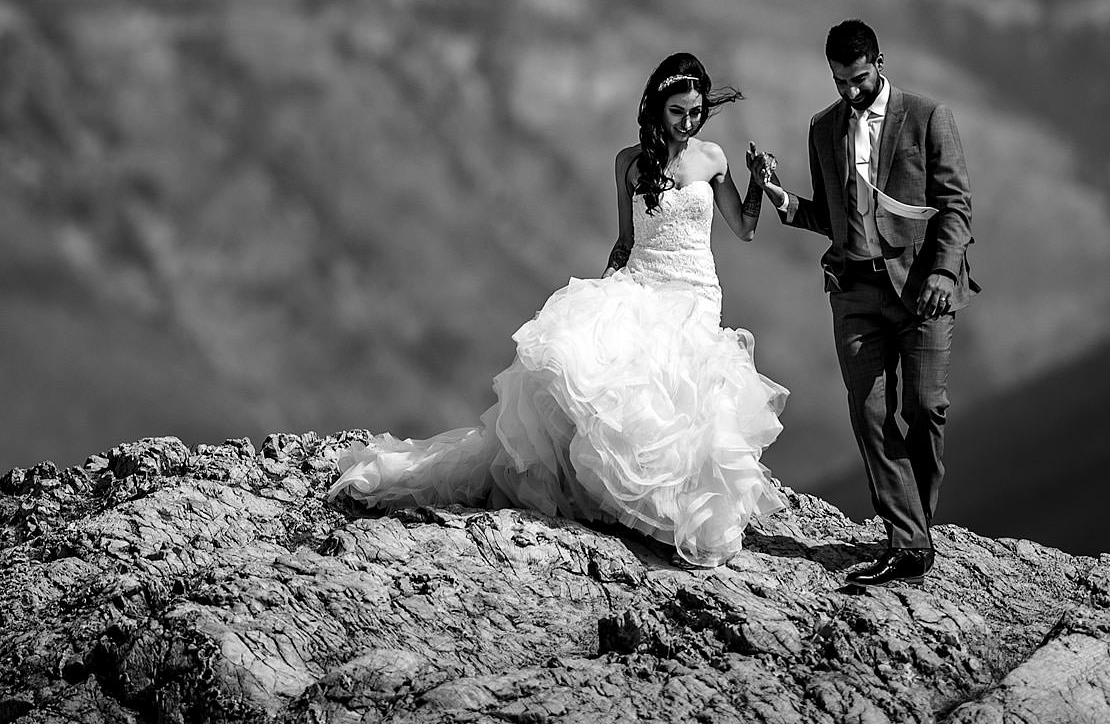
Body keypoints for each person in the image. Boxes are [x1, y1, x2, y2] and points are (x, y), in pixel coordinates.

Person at [331, 53, 787, 567]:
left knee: (684, 399)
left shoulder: (713, 158)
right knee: (588, 373)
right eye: (678, 112)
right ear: (658, 109)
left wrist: (757, 182)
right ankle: (609, 501)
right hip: (643, 279)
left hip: (698, 292)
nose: (688, 122)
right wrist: (603, 295)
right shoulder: (630, 162)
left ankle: (671, 511)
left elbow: (744, 229)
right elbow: (625, 239)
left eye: (696, 112)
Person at [750, 19, 972, 589]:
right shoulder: (823, 129)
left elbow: (955, 205)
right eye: (838, 81)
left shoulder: (927, 117)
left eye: (857, 78)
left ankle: (913, 532)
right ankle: (909, 539)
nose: (848, 91)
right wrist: (783, 200)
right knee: (870, 410)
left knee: (925, 408)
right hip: (854, 290)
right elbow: (830, 216)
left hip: (923, 287)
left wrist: (944, 271)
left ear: (880, 61)